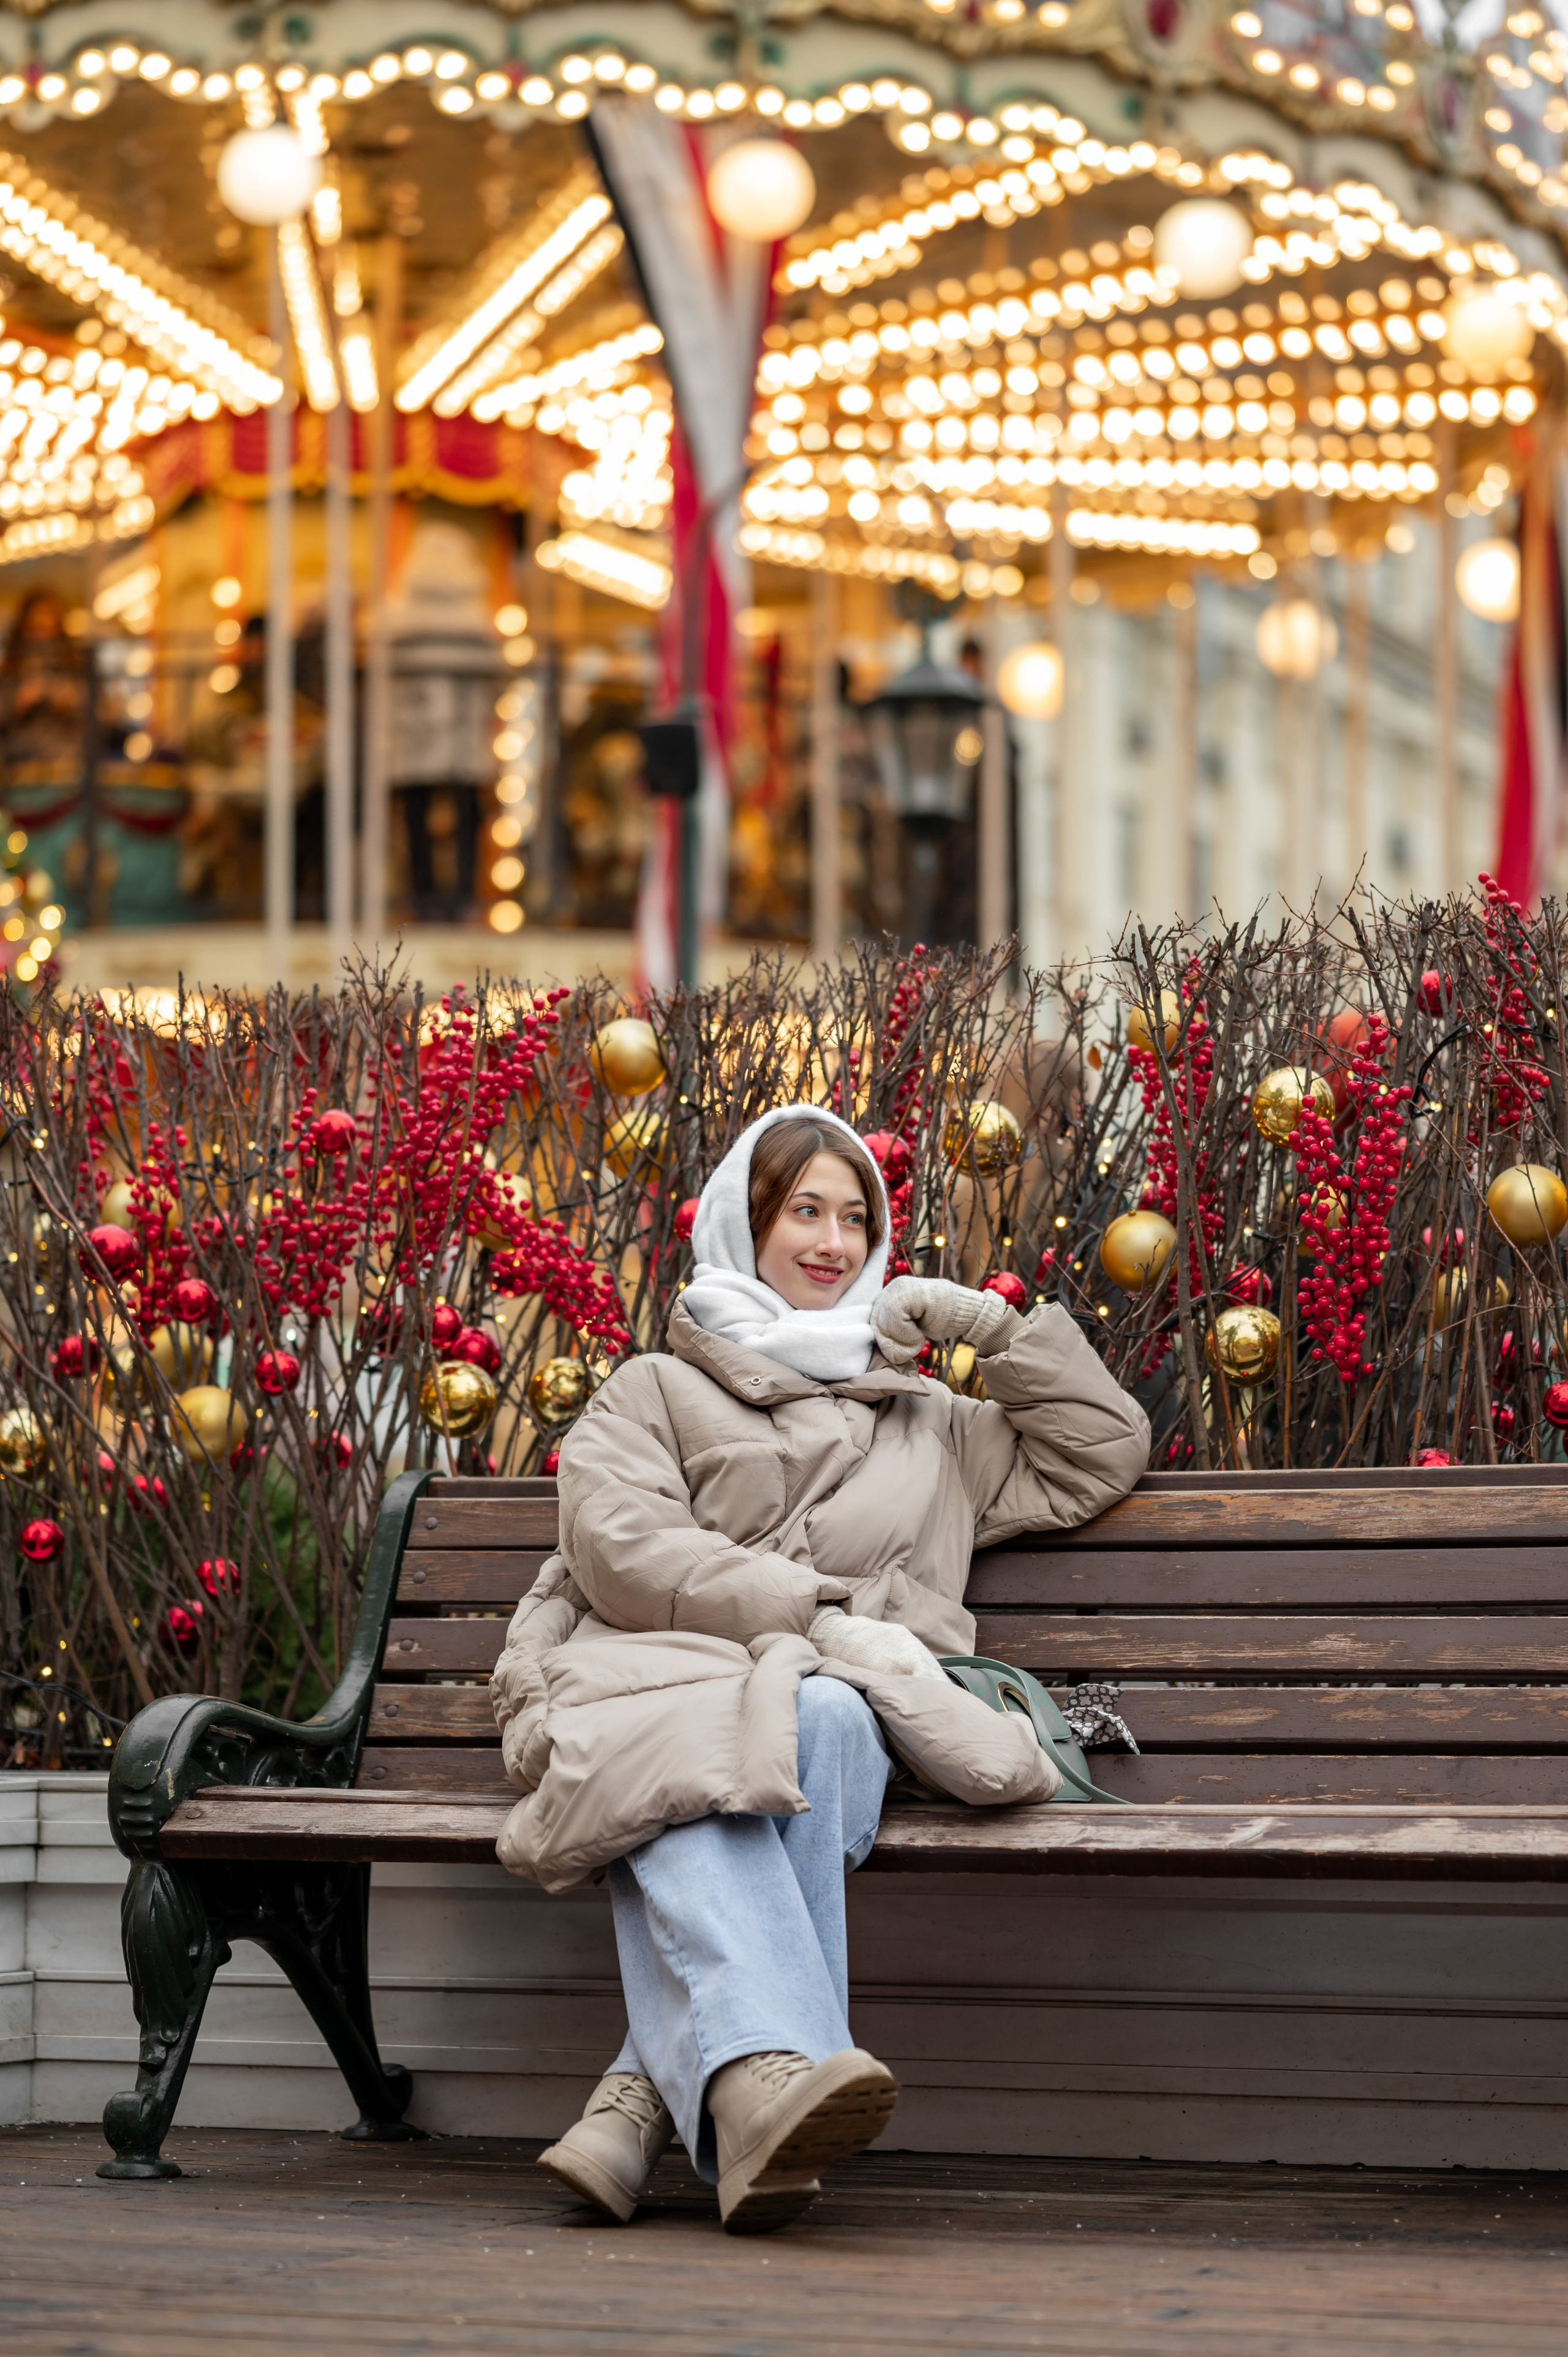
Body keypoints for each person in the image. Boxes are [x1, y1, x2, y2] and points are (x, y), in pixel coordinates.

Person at [490, 1105, 1150, 2234]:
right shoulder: (654, 1386)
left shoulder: (931, 1421)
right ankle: (755, 2096)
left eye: (857, 1217)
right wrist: (816, 1612)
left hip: (840, 1706)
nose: (834, 1241)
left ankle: (652, 2092)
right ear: (748, 1226)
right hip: (663, 1676)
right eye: (805, 1211)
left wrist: (980, 1323)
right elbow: (619, 1546)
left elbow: (1103, 1450)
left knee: (827, 1718)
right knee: (769, 1725)